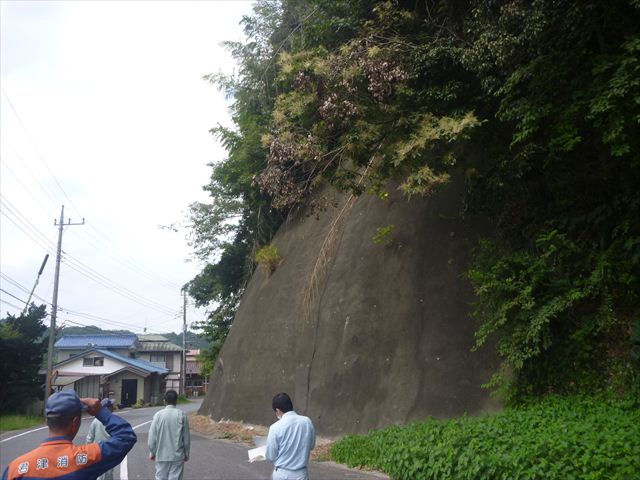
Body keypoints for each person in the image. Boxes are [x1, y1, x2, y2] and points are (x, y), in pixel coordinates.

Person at [2, 390, 136, 480]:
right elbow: (126, 437)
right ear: (75, 422)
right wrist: (100, 411)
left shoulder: (15, 468)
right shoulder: (85, 458)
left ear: (47, 421)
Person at [265, 392, 316, 480]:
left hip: (282, 473)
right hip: (301, 474)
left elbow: (270, 456)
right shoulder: (307, 422)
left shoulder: (275, 428)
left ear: (277, 410)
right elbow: (311, 446)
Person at [148, 390, 190, 480]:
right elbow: (186, 438)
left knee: (160, 478)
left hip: (161, 455)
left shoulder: (158, 415)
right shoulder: (182, 415)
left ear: (164, 401)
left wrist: (153, 452)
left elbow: (152, 437)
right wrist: (186, 453)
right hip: (177, 456)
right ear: (176, 401)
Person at [86, 398, 116, 480]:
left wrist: (88, 453)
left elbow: (89, 438)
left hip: (96, 452)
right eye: (111, 406)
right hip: (109, 452)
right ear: (107, 408)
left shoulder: (95, 421)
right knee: (108, 474)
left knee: (98, 474)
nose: (113, 407)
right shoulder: (114, 420)